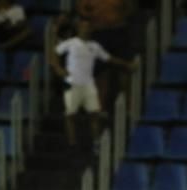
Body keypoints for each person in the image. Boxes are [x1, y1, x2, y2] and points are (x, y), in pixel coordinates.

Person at [52, 19, 136, 148]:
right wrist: (58, 68)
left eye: (88, 27)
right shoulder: (70, 43)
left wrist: (127, 64)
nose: (85, 29)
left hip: (88, 84)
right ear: (79, 28)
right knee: (70, 115)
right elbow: (55, 53)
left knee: (94, 114)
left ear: (91, 29)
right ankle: (72, 143)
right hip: (72, 82)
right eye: (83, 26)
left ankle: (96, 143)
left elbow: (109, 58)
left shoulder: (94, 46)